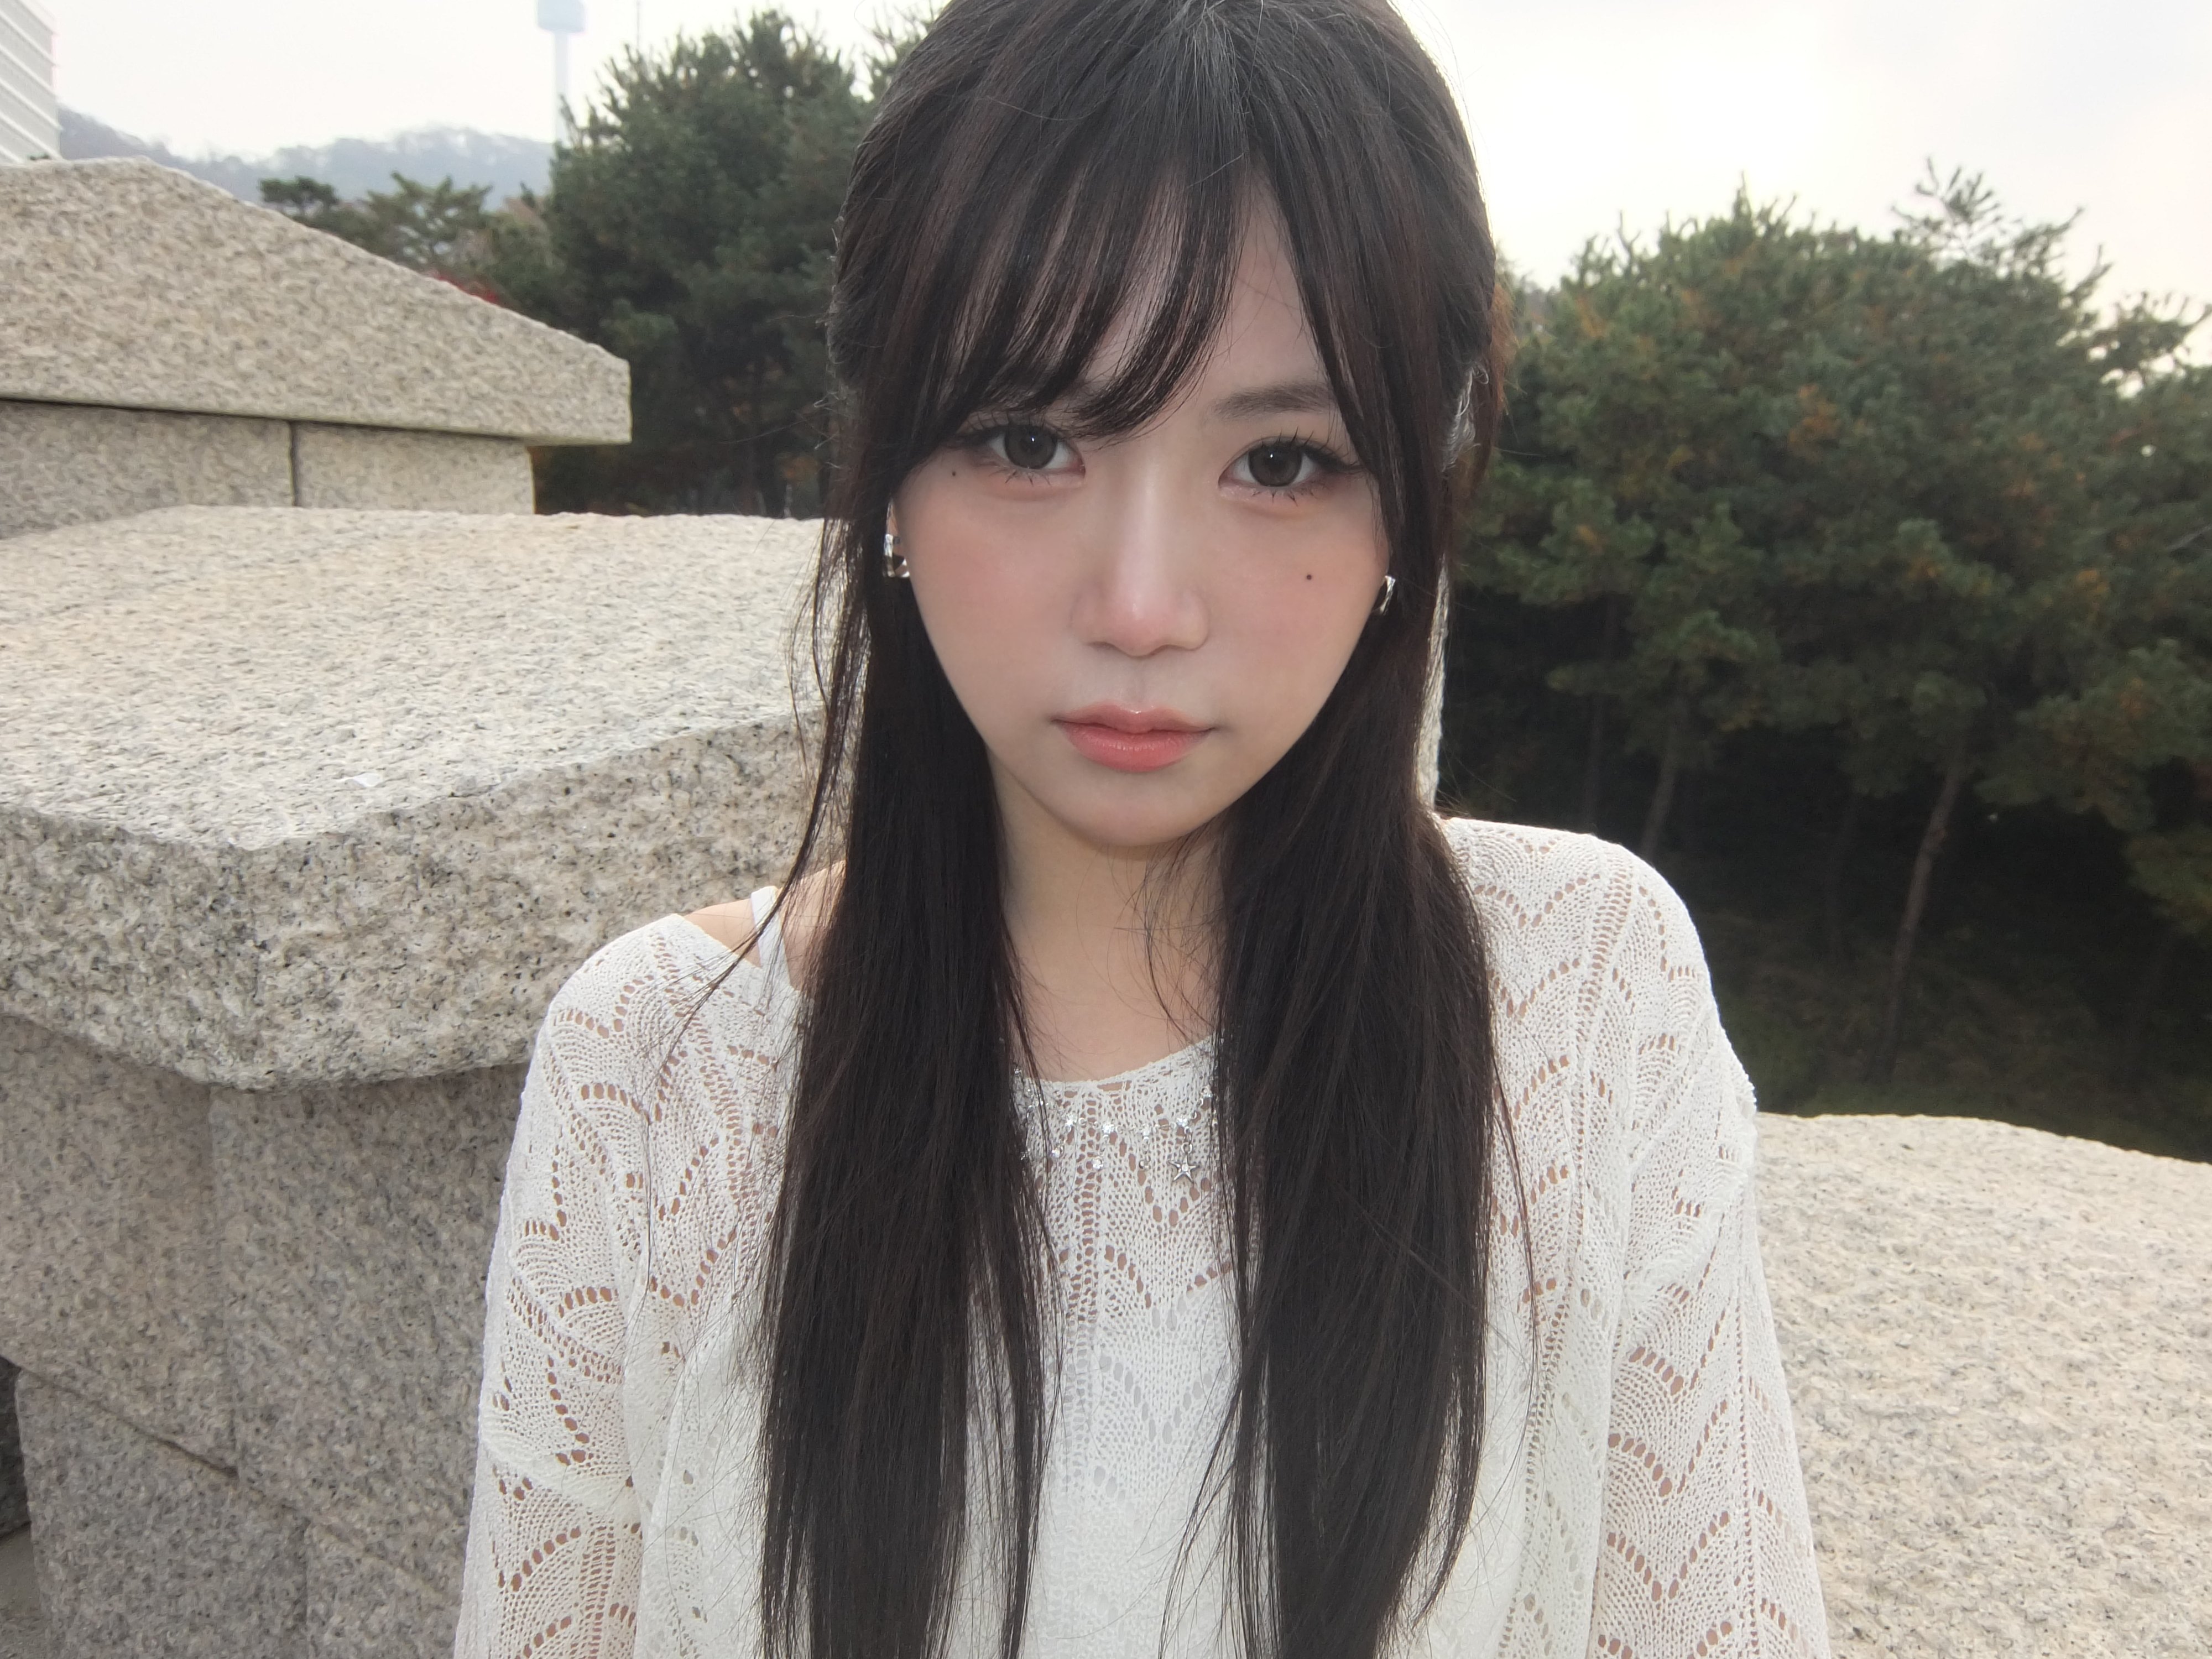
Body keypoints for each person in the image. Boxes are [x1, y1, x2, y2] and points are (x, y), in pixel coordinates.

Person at [453, 0, 1832, 1653]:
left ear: (1415, 497)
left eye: (1283, 461)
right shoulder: (658, 1071)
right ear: (886, 472)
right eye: (1029, 440)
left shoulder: (1583, 1002)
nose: (1142, 606)